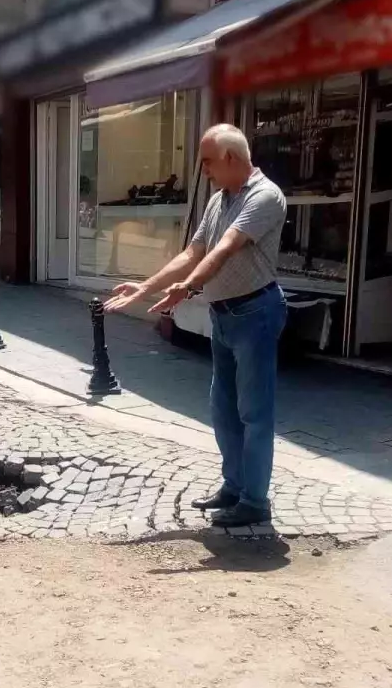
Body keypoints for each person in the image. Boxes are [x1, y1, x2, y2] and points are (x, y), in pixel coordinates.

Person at [104, 124, 287, 527]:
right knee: (222, 407)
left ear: (232, 159)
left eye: (207, 161)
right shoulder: (219, 198)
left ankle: (255, 502)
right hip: (223, 314)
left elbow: (224, 249)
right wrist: (147, 287)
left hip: (255, 313)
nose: (202, 170)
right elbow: (195, 250)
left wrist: (186, 288)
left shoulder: (265, 196)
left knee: (254, 412)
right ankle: (233, 487)